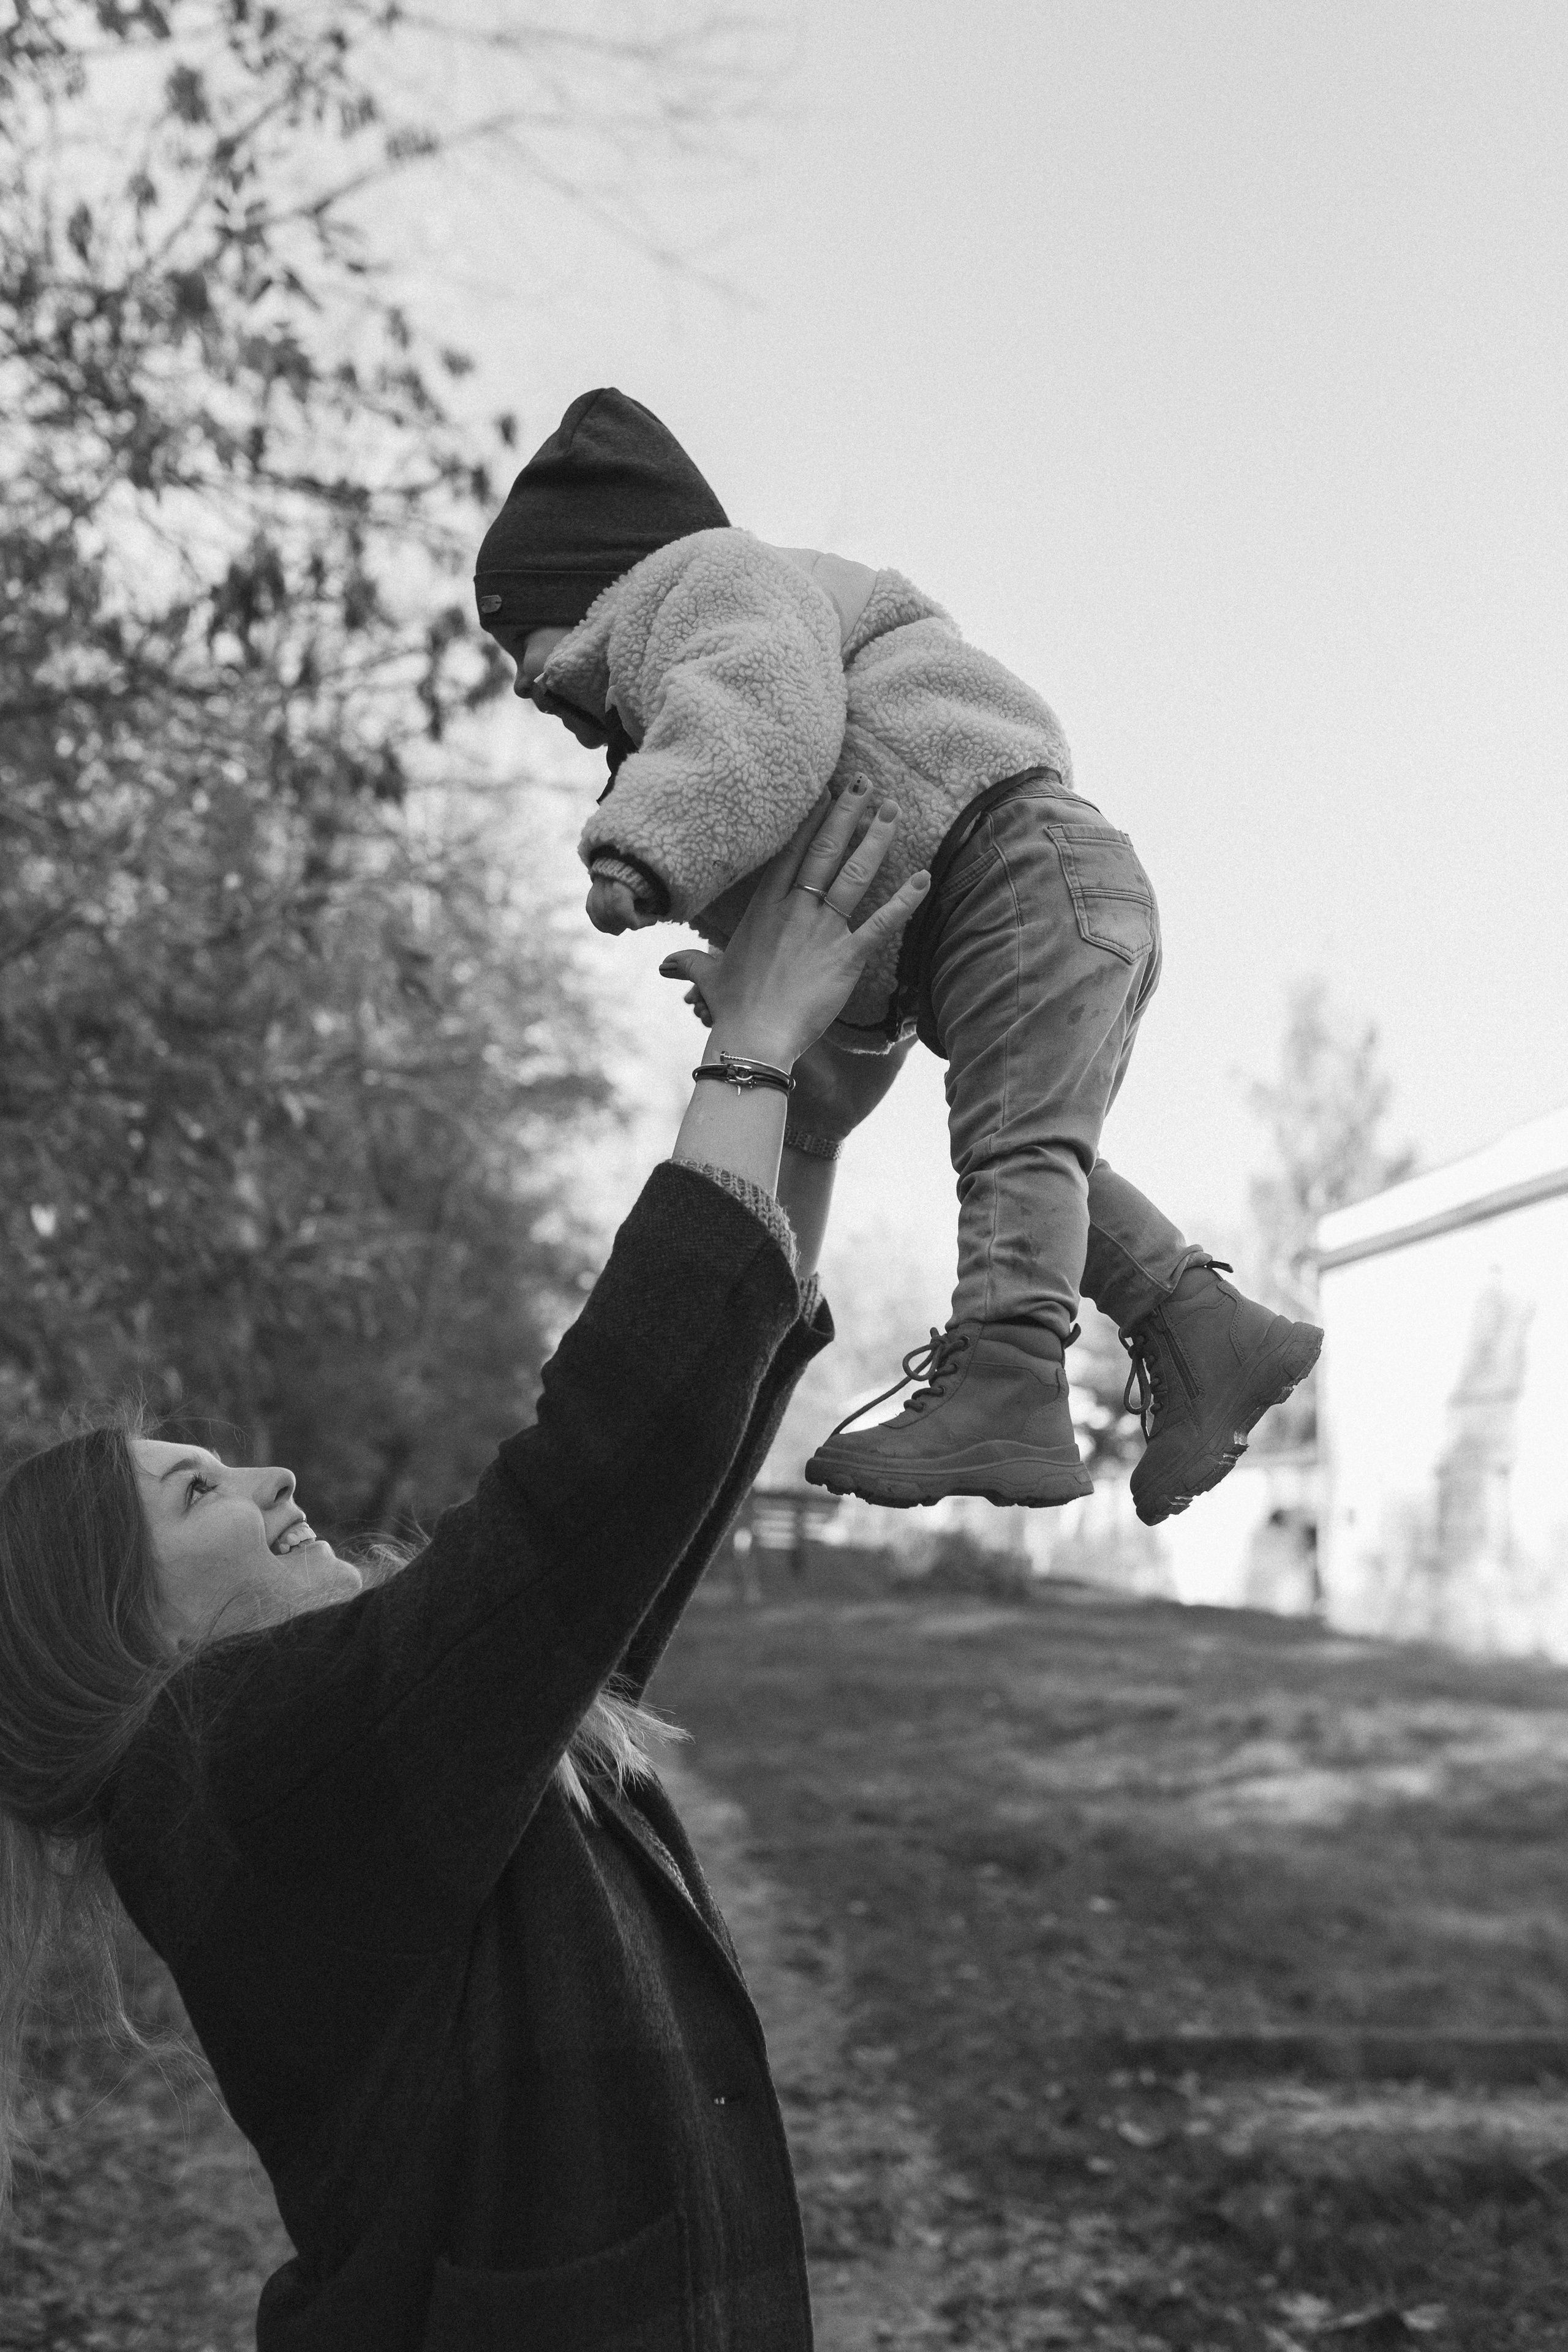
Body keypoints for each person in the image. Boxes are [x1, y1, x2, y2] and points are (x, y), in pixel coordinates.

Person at [0, 794, 928, 2350]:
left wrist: (807, 1132)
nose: (269, 1476)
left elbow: (621, 1554)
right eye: (195, 1489)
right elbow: (585, 1496)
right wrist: (750, 1048)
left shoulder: (336, 1756)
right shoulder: (217, 1777)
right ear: (116, 1615)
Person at [473, 386, 1322, 1522]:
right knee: (1031, 1149)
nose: (526, 681)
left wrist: (643, 851)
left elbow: (759, 717)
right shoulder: (705, 632)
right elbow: (809, 848)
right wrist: (770, 1010)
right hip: (1018, 894)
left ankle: (1010, 1384)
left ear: (584, 586)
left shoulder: (708, 582)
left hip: (1015, 865)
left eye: (518, 637)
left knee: (1015, 1149)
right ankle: (1208, 1333)